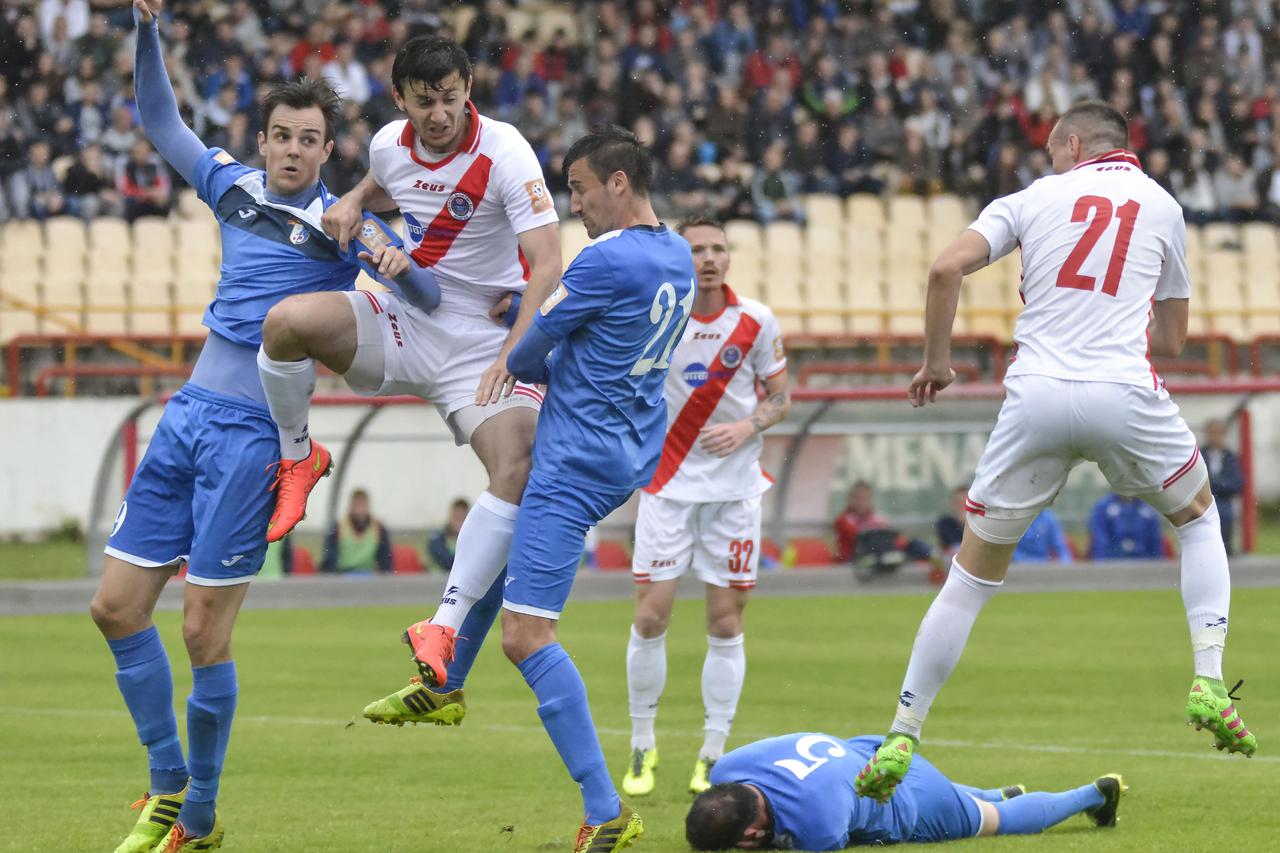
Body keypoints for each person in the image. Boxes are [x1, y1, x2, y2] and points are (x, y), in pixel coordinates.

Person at [87, 2, 424, 851]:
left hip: (249, 438)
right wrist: (148, 29)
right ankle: (168, 783)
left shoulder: (344, 226)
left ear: (326, 151)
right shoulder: (230, 184)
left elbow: (424, 297)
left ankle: (195, 815)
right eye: (280, 134)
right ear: (263, 137)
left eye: (308, 139)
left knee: (203, 633)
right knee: (115, 608)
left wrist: (399, 264)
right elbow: (159, 118)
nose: (290, 148)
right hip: (186, 415)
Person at [855, 101, 1255, 804]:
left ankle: (902, 729)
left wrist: (937, 362)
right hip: (1123, 391)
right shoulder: (1163, 207)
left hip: (1034, 396)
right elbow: (1173, 341)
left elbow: (946, 268)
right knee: (1197, 519)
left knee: (970, 579)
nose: (1049, 163)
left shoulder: (1033, 197)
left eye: (1050, 151)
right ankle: (1208, 676)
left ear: (1072, 145)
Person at [376, 126, 693, 851]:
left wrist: (520, 325)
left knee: (526, 635)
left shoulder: (604, 258)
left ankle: (606, 806)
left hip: (574, 458)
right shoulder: (672, 251)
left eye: (579, 187)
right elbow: (601, 342)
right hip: (621, 447)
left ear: (618, 183)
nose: (572, 202)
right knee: (505, 575)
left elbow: (528, 349)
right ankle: (444, 680)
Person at [256, 36, 562, 724]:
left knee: (518, 464)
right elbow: (386, 177)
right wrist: (356, 199)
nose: (440, 115)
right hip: (404, 319)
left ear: (469, 85)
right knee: (283, 324)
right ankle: (298, 456)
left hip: (483, 342)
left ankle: (444, 629)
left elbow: (548, 263)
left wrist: (511, 356)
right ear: (400, 99)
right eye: (425, 102)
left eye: (451, 98)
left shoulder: (506, 152)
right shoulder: (392, 143)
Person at [622, 215, 791, 798]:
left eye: (719, 249)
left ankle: (712, 754)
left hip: (736, 491)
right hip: (667, 486)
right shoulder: (658, 317)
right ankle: (642, 747)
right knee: (651, 616)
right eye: (698, 250)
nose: (710, 259)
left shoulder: (757, 321)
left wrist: (750, 424)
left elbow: (781, 396)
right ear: (681, 257)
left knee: (725, 622)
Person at [685, 732, 1125, 850]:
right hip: (870, 750)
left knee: (998, 824)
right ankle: (995, 790)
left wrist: (774, 845)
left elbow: (829, 837)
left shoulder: (815, 824)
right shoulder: (730, 766)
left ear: (752, 832)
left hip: (914, 800)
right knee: (972, 799)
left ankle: (1093, 795)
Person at [321, 488, 392, 574]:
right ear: (350, 506)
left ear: (367, 506)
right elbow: (330, 559)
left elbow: (385, 559)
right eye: (356, 505)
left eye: (362, 505)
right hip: (342, 576)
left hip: (370, 576)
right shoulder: (338, 527)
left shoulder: (379, 528)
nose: (359, 510)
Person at [1201, 419, 1244, 554]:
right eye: (1212, 433)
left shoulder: (1230, 456)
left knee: (1225, 514)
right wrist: (1218, 484)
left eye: (1219, 433)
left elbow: (1237, 483)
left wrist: (1215, 483)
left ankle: (1226, 551)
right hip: (1204, 502)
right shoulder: (1199, 455)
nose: (1215, 437)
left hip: (1224, 501)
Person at [1087, 493, 1164, 559]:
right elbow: (1100, 542)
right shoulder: (1102, 507)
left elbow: (1155, 542)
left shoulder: (1148, 509)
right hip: (1112, 563)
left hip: (1143, 563)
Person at [427, 497, 469, 571]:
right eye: (457, 517)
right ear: (451, 516)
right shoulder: (437, 539)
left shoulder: (473, 539)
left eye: (463, 518)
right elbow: (447, 562)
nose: (459, 522)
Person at [935, 487, 967, 557]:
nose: (961, 505)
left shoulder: (978, 522)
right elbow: (950, 543)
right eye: (958, 502)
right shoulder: (945, 522)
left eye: (963, 502)